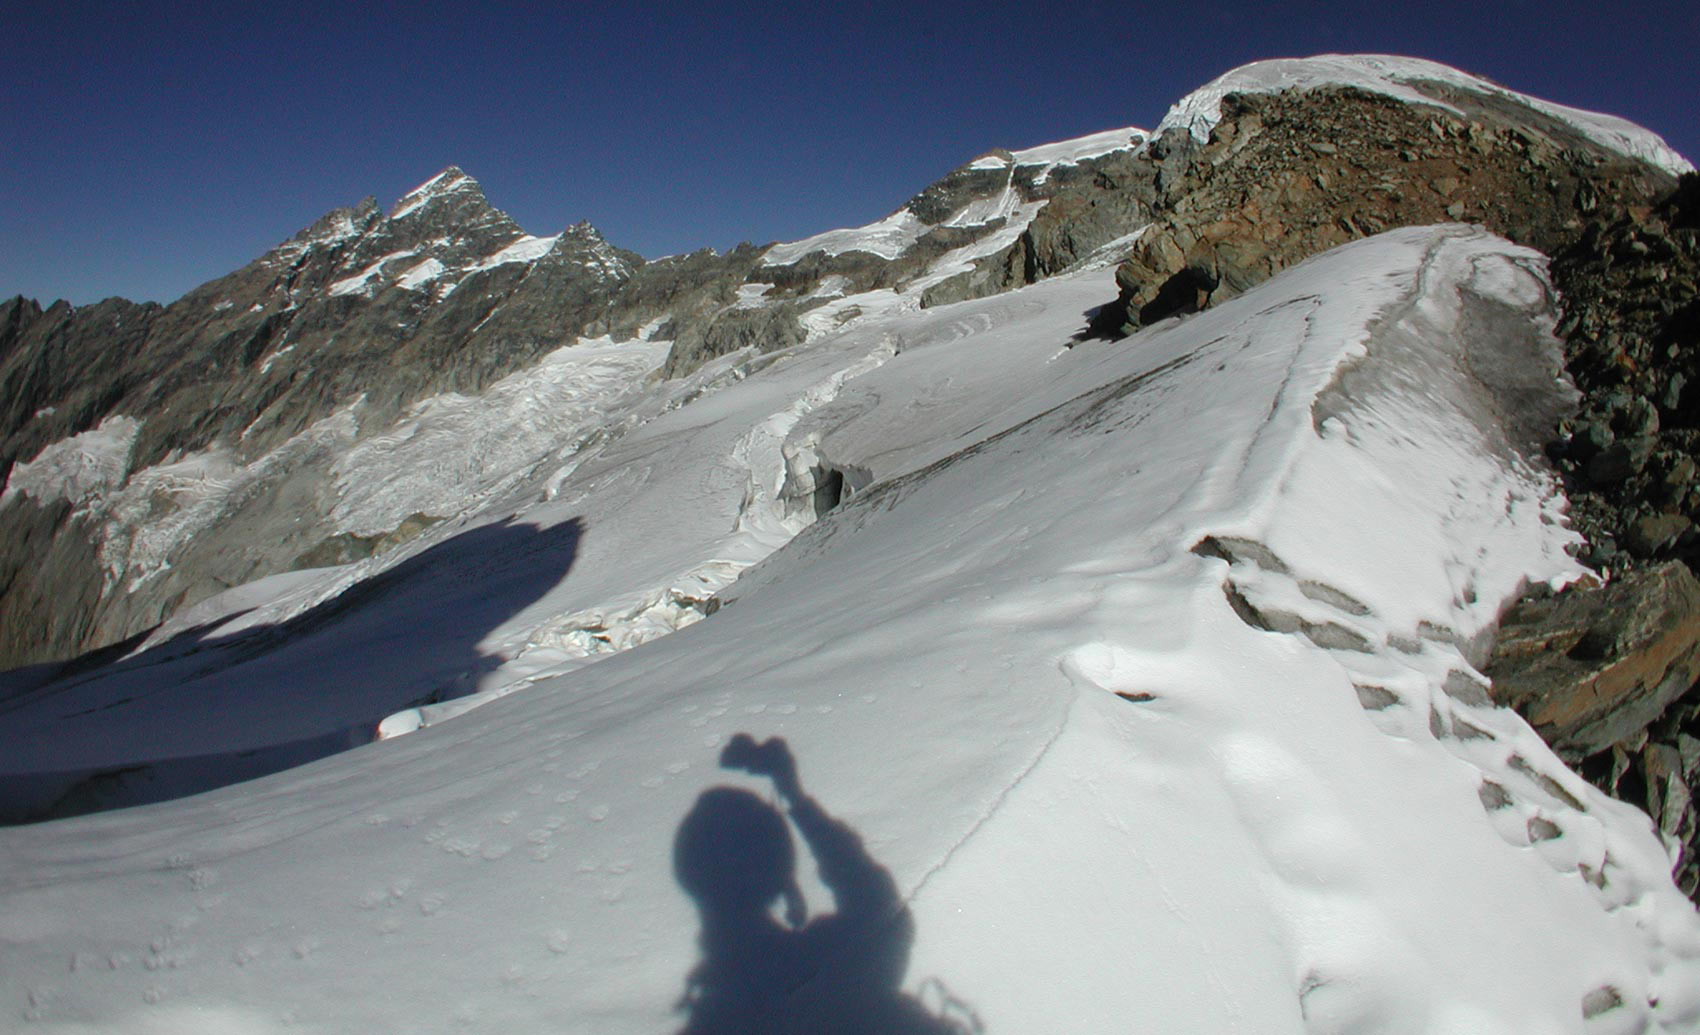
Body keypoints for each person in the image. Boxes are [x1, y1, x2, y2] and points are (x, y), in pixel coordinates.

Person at [673, 734, 975, 1034]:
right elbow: (876, 903)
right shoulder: (837, 965)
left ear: (688, 877)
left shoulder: (720, 1018)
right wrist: (794, 797)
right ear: (779, 874)